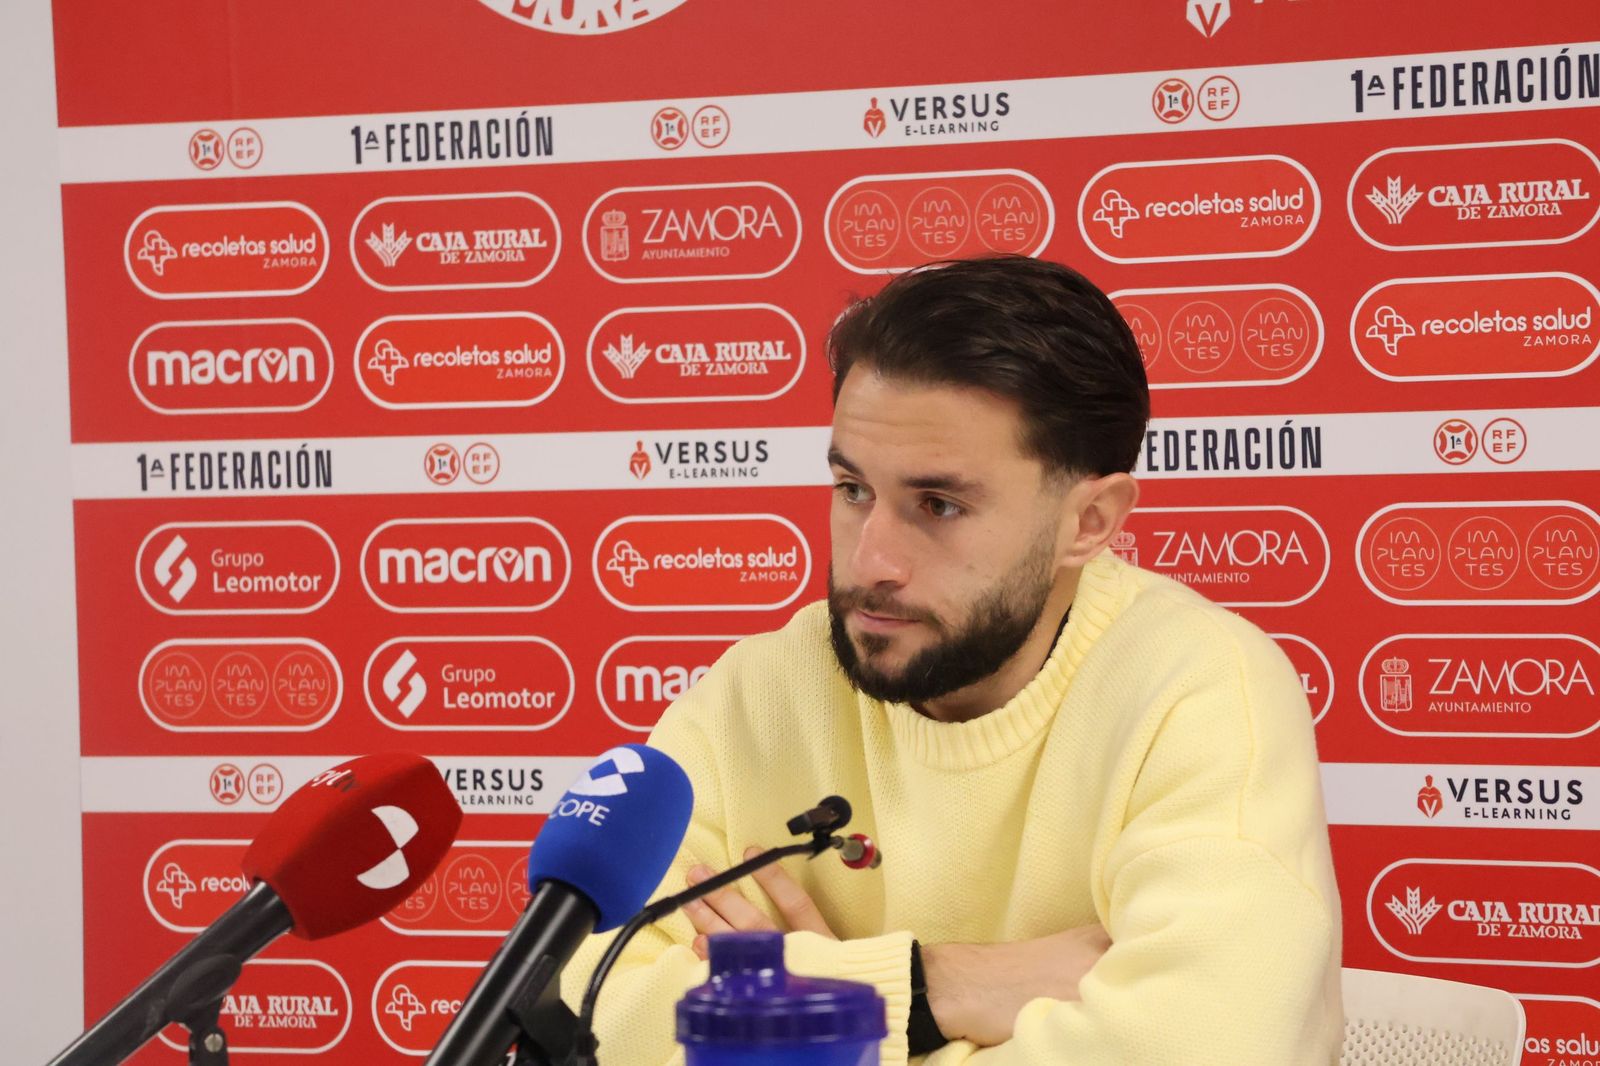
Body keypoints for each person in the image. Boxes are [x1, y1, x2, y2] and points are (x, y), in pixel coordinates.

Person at [562, 255, 1343, 1064]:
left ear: (1090, 522)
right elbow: (578, 1013)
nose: (871, 561)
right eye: (853, 489)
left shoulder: (1198, 692)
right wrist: (924, 988)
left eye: (938, 505)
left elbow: (1205, 1046)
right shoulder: (760, 692)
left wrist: (802, 1016)